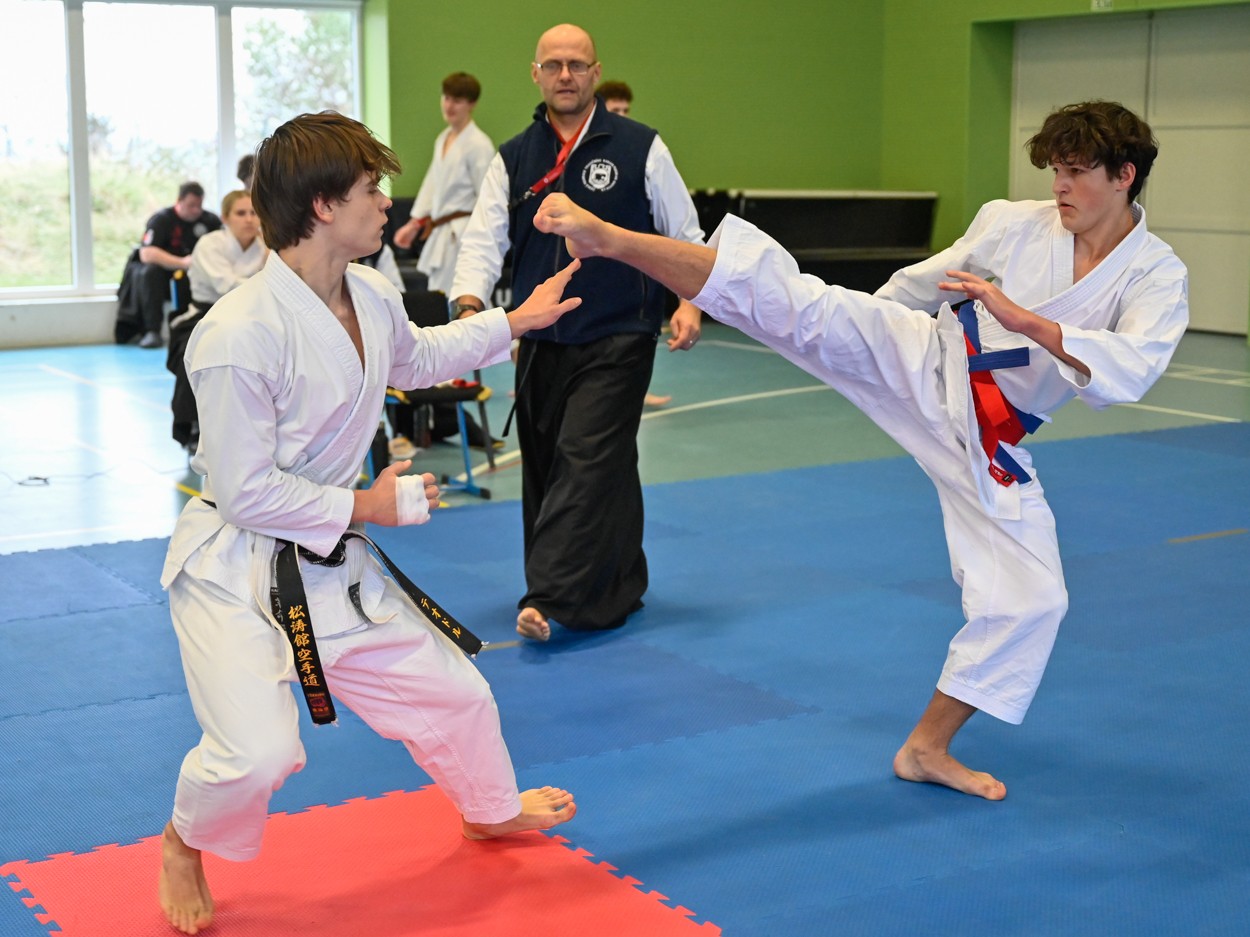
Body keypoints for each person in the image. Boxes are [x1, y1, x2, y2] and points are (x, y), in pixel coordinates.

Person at [532, 100, 1189, 800]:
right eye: (1055, 170)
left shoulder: (1155, 274)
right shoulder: (1015, 222)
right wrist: (858, 327)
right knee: (796, 302)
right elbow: (926, 280)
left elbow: (1132, 367)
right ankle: (614, 238)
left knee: (1035, 600)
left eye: (1076, 172)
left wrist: (1024, 320)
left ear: (1124, 175)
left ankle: (926, 748)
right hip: (928, 358)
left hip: (990, 437)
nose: (1059, 186)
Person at [157, 110, 580, 936]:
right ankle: (183, 838)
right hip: (234, 571)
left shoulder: (372, 294)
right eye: (370, 188)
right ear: (322, 206)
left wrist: (514, 321)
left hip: (327, 561)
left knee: (456, 693)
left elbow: (417, 358)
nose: (387, 202)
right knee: (258, 754)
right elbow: (243, 493)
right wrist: (367, 506)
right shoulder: (237, 334)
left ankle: (489, 809)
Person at [452, 23, 705, 642]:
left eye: (576, 64)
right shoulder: (514, 156)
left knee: (586, 455)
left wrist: (690, 301)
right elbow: (483, 240)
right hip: (540, 337)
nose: (565, 75)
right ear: (535, 74)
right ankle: (620, 583)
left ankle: (549, 595)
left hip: (620, 330)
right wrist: (468, 306)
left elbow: (684, 233)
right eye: (553, 64)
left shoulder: (641, 147)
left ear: (595, 73)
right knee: (559, 463)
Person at [167, 189, 266, 452]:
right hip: (205, 315)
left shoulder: (266, 246)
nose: (249, 219)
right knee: (198, 349)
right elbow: (227, 286)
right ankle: (195, 425)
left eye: (254, 213)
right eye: (241, 213)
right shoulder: (210, 244)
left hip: (252, 314)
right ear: (225, 218)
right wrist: (267, 282)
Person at [597, 78, 673, 408]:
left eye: (626, 110)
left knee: (632, 332)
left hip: (632, 261)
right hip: (596, 261)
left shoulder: (639, 151)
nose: (623, 116)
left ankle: (637, 389)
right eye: (616, 110)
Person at [392, 72, 495, 295]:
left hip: (465, 235)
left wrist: (482, 241)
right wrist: (414, 224)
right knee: (440, 297)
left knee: (464, 297)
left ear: (472, 104)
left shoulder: (479, 145)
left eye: (457, 100)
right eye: (446, 98)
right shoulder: (443, 138)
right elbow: (432, 186)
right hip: (442, 234)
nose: (449, 106)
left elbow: (488, 197)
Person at [132, 182, 223, 348]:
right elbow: (146, 253)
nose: (196, 210)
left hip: (199, 273)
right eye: (191, 205)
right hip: (166, 274)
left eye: (199, 205)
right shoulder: (161, 220)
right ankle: (152, 330)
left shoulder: (210, 220)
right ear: (179, 201)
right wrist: (182, 263)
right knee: (150, 273)